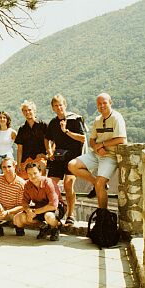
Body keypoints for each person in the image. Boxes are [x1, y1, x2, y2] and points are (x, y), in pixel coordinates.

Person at [68, 93, 127, 209]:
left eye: (104, 103)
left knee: (101, 183)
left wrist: (102, 145)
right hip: (96, 154)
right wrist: (96, 147)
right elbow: (91, 140)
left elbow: (121, 139)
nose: (102, 106)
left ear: (110, 103)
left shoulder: (116, 117)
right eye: (99, 104)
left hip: (110, 156)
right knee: (72, 165)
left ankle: (102, 216)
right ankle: (97, 184)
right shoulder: (98, 120)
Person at [45, 94, 86, 226]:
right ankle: (57, 210)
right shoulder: (52, 123)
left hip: (73, 157)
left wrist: (66, 131)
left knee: (68, 184)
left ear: (65, 105)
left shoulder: (75, 119)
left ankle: (70, 214)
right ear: (53, 108)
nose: (58, 108)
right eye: (55, 106)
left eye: (60, 105)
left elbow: (83, 138)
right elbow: (47, 138)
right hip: (58, 157)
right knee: (50, 185)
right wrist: (49, 151)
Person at [13, 163, 65, 241]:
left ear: (40, 172)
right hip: (39, 208)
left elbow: (53, 205)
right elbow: (24, 202)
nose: (32, 176)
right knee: (18, 218)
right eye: (29, 174)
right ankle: (44, 227)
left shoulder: (48, 183)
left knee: (49, 216)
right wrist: (28, 211)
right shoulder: (27, 184)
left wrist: (35, 212)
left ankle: (56, 227)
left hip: (56, 208)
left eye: (35, 173)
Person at [0, 157, 26, 239]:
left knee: (20, 219)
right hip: (1, 209)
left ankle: (19, 226)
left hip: (15, 212)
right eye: (4, 167)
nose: (7, 169)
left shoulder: (21, 183)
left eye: (9, 166)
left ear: (14, 167)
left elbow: (23, 206)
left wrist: (8, 212)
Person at [15, 100, 48, 179]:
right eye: (25, 111)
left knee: (39, 176)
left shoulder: (43, 125)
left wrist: (47, 155)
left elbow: (52, 141)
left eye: (29, 110)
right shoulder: (22, 129)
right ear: (23, 113)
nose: (27, 112)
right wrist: (19, 164)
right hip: (25, 160)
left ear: (34, 111)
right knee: (20, 179)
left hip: (40, 158)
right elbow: (19, 149)